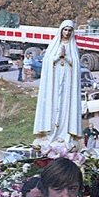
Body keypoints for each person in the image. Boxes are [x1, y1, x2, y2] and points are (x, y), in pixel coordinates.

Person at [33, 20, 82, 149]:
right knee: (53, 105)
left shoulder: (72, 46)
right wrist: (57, 57)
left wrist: (65, 57)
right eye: (65, 30)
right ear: (61, 30)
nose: (66, 33)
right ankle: (49, 134)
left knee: (65, 106)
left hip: (67, 82)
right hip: (54, 82)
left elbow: (75, 64)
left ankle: (64, 134)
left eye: (69, 30)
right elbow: (48, 62)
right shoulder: (54, 45)